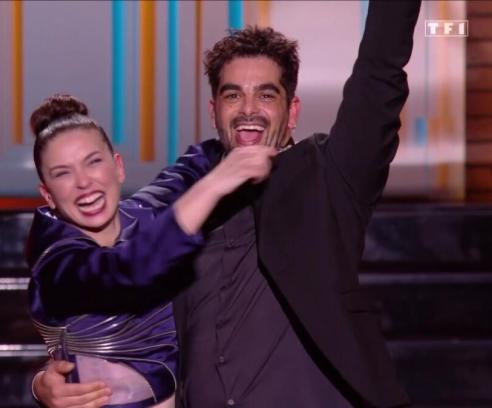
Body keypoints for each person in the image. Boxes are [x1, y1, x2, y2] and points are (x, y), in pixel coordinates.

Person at [34, 1, 421, 406]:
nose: (248, 109)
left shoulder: (329, 177)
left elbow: (379, 74)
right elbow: (107, 288)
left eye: (266, 95)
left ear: (292, 112)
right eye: (233, 95)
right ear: (214, 111)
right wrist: (46, 381)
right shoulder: (187, 196)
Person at [26, 94, 277, 407]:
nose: (83, 182)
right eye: (63, 173)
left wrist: (250, 134)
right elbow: (128, 270)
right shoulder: (54, 259)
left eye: (93, 162)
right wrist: (213, 186)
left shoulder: (144, 214)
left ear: (118, 167)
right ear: (48, 195)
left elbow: (193, 168)